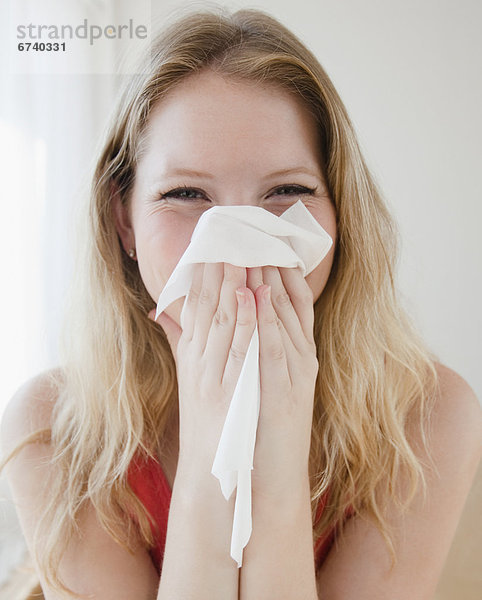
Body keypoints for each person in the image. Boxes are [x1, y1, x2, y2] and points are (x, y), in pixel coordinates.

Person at [1, 7, 480, 600]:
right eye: (185, 194)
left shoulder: (428, 416)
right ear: (123, 219)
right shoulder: (53, 427)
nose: (239, 238)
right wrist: (212, 448)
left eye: (287, 191)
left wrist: (275, 460)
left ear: (340, 212)